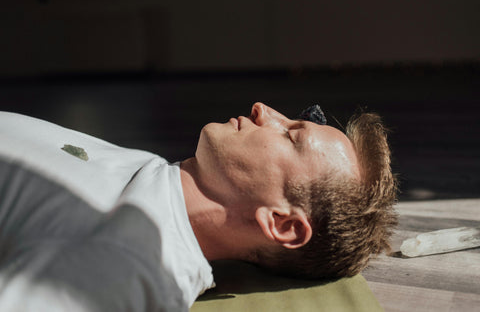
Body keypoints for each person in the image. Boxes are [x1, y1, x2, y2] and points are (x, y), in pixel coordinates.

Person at [0, 102, 397, 311]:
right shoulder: (159, 182)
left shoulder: (136, 260)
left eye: (292, 135)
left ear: (282, 223)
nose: (263, 110)